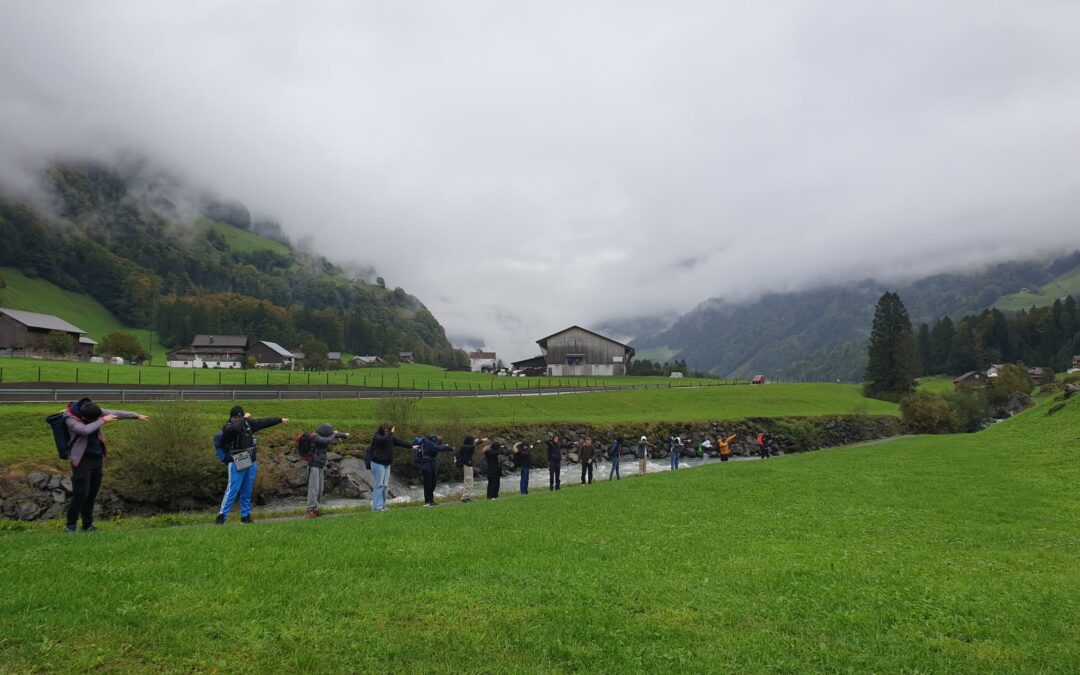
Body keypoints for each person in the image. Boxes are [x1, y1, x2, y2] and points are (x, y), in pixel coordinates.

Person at [62, 397, 149, 533]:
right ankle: (70, 526)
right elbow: (84, 430)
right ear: (84, 417)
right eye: (94, 419)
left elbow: (114, 413)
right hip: (81, 460)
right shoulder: (70, 418)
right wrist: (102, 420)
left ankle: (87, 526)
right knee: (81, 494)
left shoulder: (93, 411)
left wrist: (135, 416)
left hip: (97, 458)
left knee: (91, 494)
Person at [216, 406, 288, 524]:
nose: (239, 419)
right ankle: (222, 516)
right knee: (232, 489)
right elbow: (235, 428)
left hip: (249, 459)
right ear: (233, 417)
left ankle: (245, 516)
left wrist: (279, 420)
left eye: (241, 417)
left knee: (247, 490)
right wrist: (243, 419)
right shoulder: (228, 427)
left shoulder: (247, 424)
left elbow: (262, 422)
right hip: (237, 460)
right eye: (237, 417)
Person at [368, 423, 418, 512]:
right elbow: (382, 440)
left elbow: (399, 442)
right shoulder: (377, 436)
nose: (387, 432)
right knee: (379, 485)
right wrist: (390, 433)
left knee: (385, 486)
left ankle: (382, 506)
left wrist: (411, 446)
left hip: (387, 463)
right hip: (377, 463)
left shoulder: (390, 437)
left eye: (388, 430)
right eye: (385, 430)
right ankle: (376, 508)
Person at [304, 423, 349, 518]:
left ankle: (315, 509)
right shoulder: (315, 437)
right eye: (329, 432)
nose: (330, 434)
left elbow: (334, 434)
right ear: (325, 432)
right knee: (313, 488)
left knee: (320, 489)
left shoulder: (322, 435)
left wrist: (344, 435)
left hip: (320, 465)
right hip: (313, 465)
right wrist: (334, 435)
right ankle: (310, 511)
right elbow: (327, 440)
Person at [418, 435, 454, 507]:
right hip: (426, 466)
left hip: (431, 465)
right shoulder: (429, 443)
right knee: (428, 484)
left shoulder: (431, 443)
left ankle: (431, 500)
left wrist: (445, 446)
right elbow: (438, 448)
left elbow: (438, 447)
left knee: (433, 483)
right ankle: (427, 502)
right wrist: (449, 448)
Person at [456, 435, 486, 503]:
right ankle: (464, 497)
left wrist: (480, 441)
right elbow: (473, 446)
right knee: (468, 481)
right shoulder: (464, 447)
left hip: (468, 465)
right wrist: (479, 441)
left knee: (469, 481)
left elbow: (474, 445)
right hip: (466, 465)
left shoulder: (466, 446)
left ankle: (466, 496)